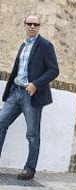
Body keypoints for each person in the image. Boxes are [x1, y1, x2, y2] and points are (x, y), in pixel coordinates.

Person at [0, 13, 59, 180]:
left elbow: (54, 70)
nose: (32, 27)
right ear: (24, 25)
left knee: (32, 134)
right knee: (1, 122)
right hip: (15, 92)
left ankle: (29, 168)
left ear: (39, 26)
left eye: (35, 24)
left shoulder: (45, 45)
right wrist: (10, 90)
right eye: (29, 24)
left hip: (31, 95)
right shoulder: (23, 45)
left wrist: (35, 84)